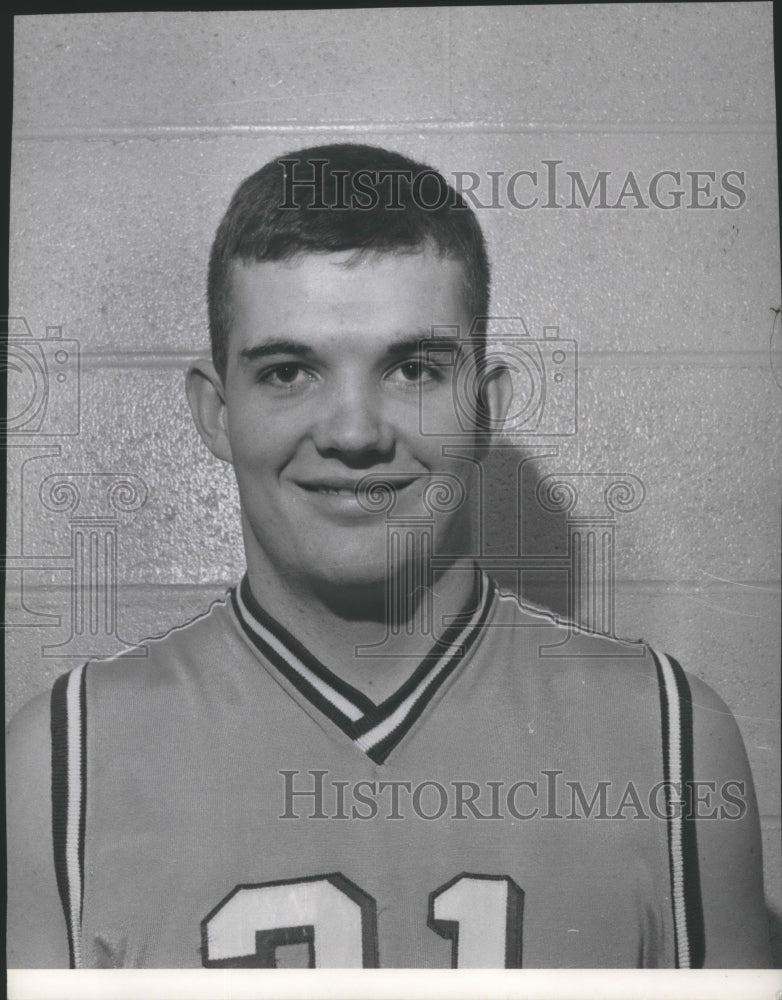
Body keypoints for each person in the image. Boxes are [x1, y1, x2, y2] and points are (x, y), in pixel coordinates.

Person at [6, 144, 771, 969]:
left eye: (412, 368)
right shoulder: (64, 760)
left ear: (484, 411)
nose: (354, 432)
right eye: (289, 370)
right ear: (215, 412)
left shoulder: (673, 736)